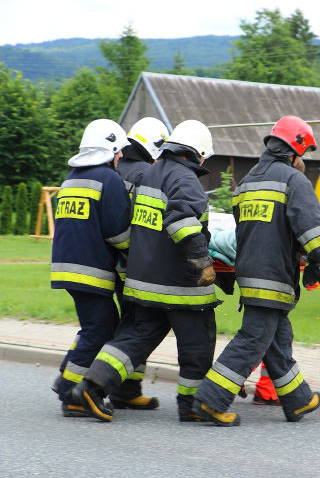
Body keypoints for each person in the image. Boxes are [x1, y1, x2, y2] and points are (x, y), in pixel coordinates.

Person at [193, 115, 320, 426]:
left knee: (277, 339)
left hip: (248, 271)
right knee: (252, 339)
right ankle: (211, 399)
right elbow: (312, 231)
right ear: (296, 150)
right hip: (275, 276)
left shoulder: (246, 183)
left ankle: (298, 400)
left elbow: (256, 230)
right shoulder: (293, 180)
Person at [73, 120, 220, 423]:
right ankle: (191, 406)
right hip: (179, 284)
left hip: (143, 281)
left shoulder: (150, 173)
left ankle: (91, 385)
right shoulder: (186, 179)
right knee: (198, 342)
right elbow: (182, 224)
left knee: (136, 337)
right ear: (198, 154)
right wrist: (203, 262)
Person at [50, 119, 131, 417]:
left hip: (65, 267)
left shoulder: (71, 179)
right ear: (110, 149)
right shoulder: (108, 180)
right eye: (119, 151)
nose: (121, 157)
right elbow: (117, 231)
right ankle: (69, 393)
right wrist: (133, 254)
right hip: (91, 269)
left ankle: (67, 377)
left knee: (94, 326)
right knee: (101, 328)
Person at [107, 117, 170, 411]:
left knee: (128, 324)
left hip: (111, 263)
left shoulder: (114, 169)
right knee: (138, 328)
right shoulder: (149, 173)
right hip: (138, 265)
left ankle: (128, 389)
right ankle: (121, 388)